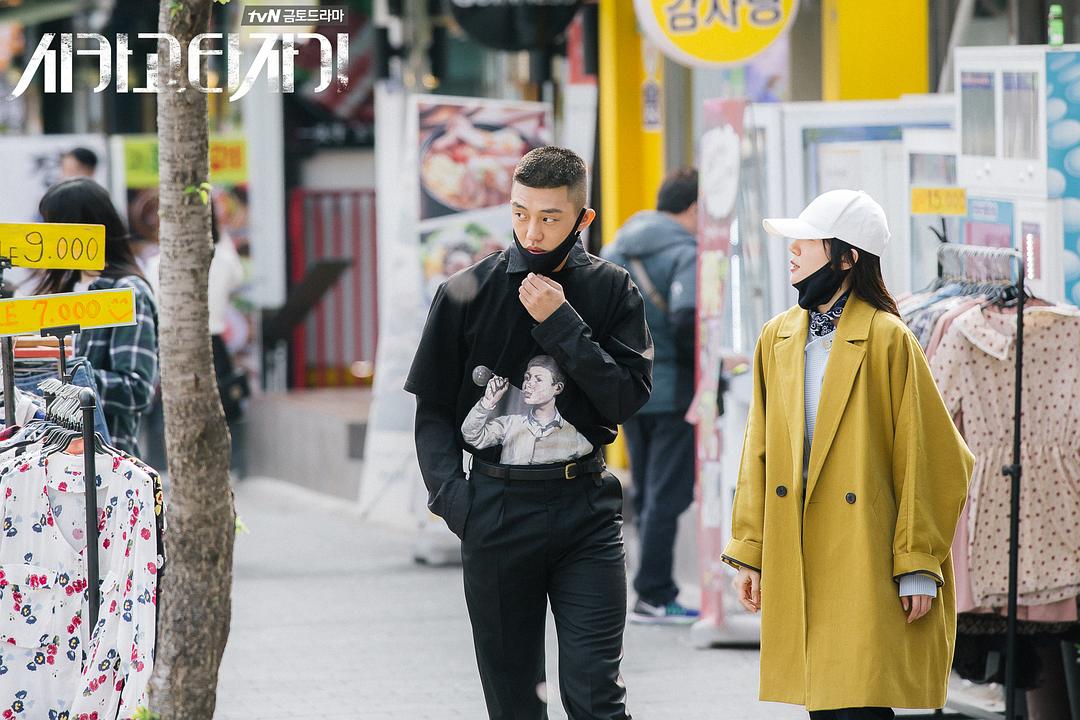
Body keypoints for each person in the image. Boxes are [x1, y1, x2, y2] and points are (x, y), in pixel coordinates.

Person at [405, 146, 652, 720]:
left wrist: (562, 324)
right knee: (513, 701)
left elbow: (625, 398)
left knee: (596, 696)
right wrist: (456, 501)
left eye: (549, 217)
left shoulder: (613, 289)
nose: (532, 231)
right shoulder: (466, 291)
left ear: (583, 218)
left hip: (585, 508)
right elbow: (433, 411)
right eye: (520, 213)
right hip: (494, 509)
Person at [722, 189, 974, 719]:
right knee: (825, 702)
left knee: (858, 701)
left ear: (846, 257)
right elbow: (758, 453)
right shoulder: (777, 336)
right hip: (798, 545)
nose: (792, 251)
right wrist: (750, 549)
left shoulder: (889, 338)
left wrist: (917, 562)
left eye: (806, 241)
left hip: (865, 550)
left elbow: (930, 458)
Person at [602, 168, 701, 624]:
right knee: (667, 494)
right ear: (694, 208)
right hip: (673, 392)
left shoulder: (616, 248)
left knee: (644, 491)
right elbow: (686, 319)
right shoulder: (686, 252)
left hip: (628, 390)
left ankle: (642, 588)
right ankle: (655, 592)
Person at [35, 178, 159, 457]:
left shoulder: (127, 293)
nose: (42, 239)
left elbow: (137, 389)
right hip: (48, 461)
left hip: (105, 462)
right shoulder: (61, 291)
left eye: (50, 227)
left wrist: (60, 378)